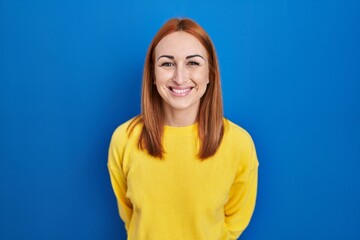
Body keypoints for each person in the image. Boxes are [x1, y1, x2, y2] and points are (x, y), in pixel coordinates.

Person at [108, 18, 259, 240]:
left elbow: (235, 223)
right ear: (153, 74)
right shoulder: (124, 139)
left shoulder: (239, 144)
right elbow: (130, 216)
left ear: (210, 73)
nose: (180, 78)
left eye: (193, 63)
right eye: (167, 64)